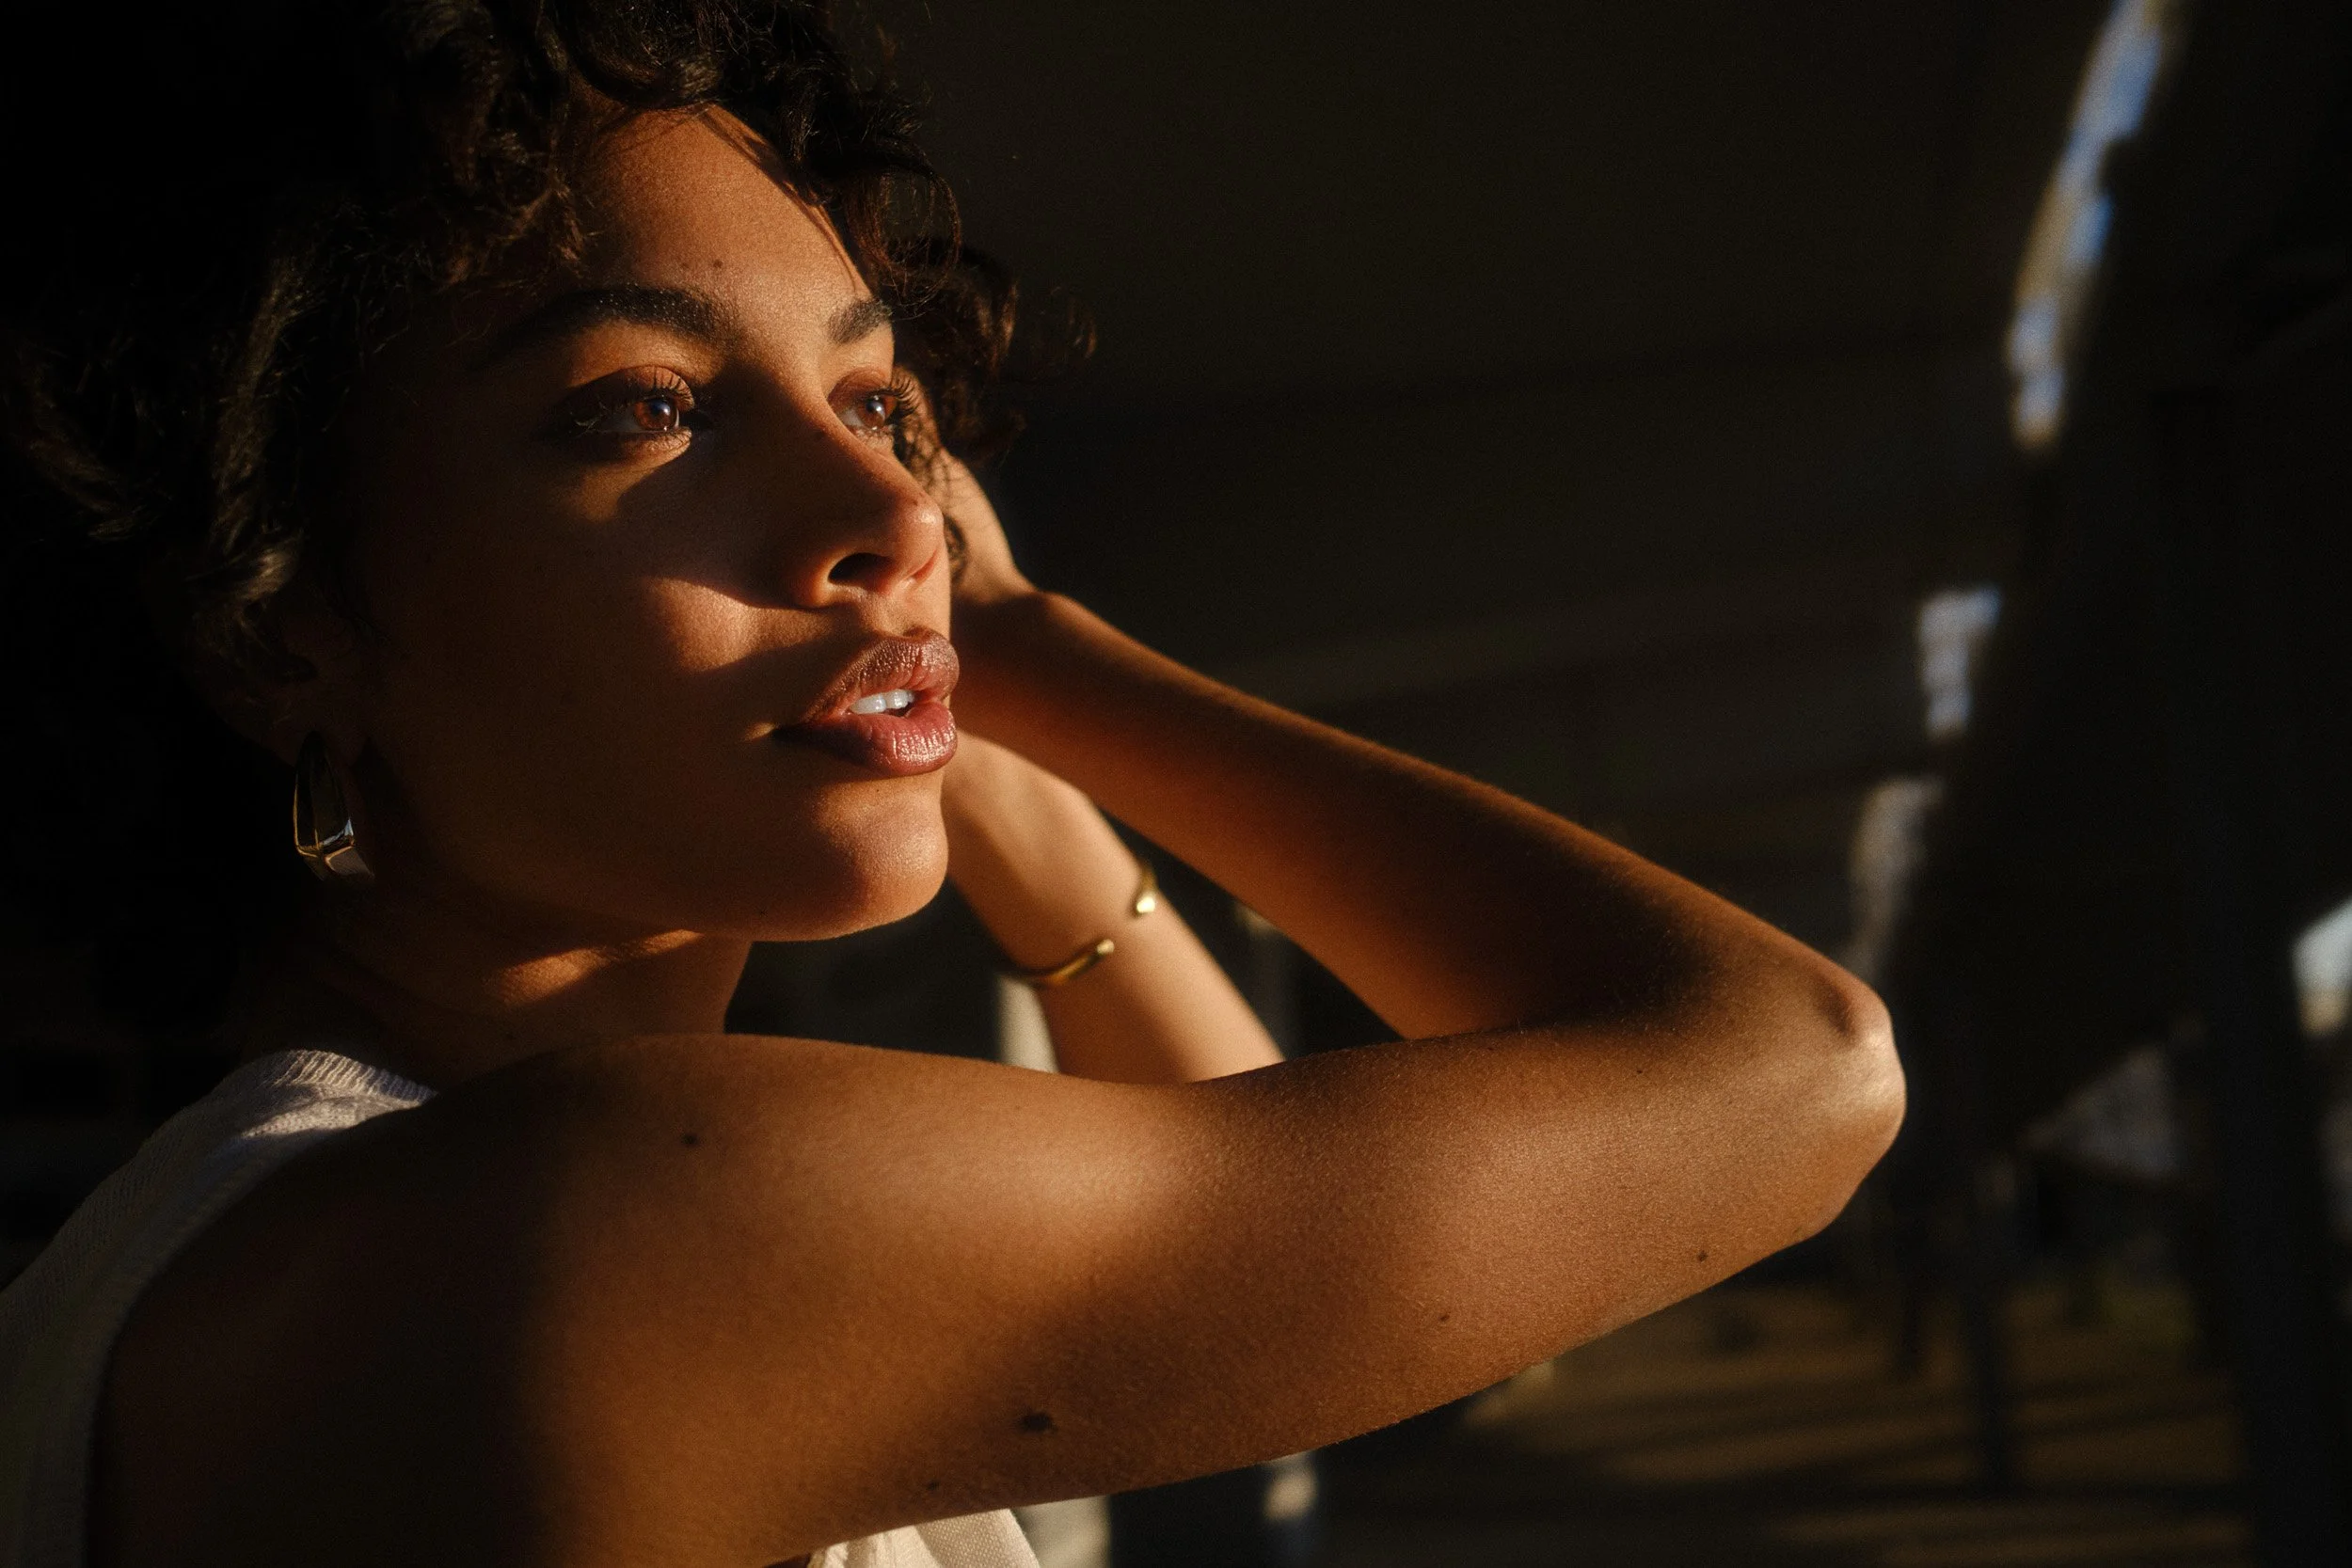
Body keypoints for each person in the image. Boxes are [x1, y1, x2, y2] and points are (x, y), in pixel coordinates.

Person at [0, 3, 1905, 1564]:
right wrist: (1038, 646)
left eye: (878, 404)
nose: (891, 511)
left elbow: (1274, 1200)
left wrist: (951, 726)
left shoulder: (254, 1245)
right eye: (643, 407)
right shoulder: (592, 1222)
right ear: (274, 618)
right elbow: (1784, 1066)